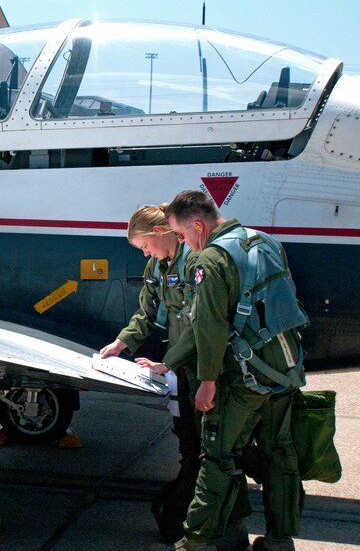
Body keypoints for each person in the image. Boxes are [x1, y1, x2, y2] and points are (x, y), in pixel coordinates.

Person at [164, 190, 303, 551]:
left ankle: (196, 544)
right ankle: (279, 541)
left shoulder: (209, 260)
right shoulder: (264, 241)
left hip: (246, 376)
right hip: (285, 368)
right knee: (279, 451)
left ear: (198, 224)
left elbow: (208, 327)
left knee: (218, 456)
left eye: (181, 235)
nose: (183, 244)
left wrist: (207, 382)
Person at [99, 204, 201, 545]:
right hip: (182, 367)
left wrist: (166, 364)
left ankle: (200, 519)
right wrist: (120, 343)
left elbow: (202, 323)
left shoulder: (196, 260)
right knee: (188, 439)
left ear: (161, 233)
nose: (145, 253)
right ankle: (188, 510)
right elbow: (147, 311)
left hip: (203, 364)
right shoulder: (158, 266)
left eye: (145, 246)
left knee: (207, 446)